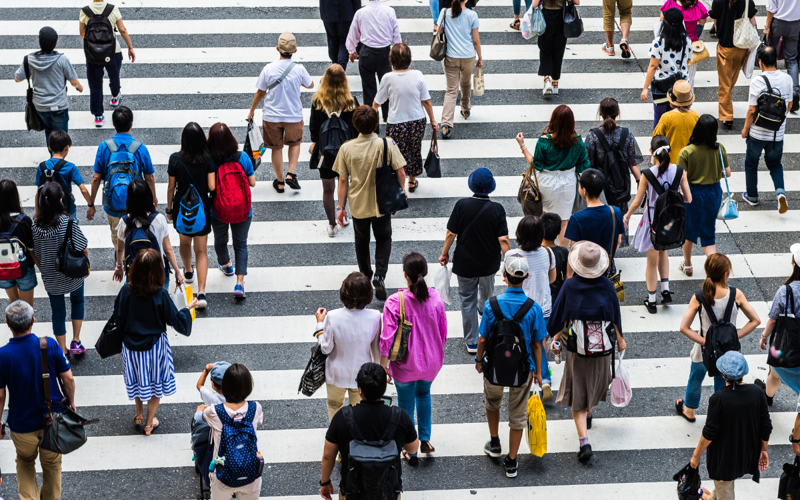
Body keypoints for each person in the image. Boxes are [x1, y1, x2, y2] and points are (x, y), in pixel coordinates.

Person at [547, 241, 626, 463]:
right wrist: (620, 339)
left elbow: (558, 318)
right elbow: (615, 316)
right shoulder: (607, 286)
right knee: (597, 385)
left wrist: (552, 338)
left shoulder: (570, 286)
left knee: (577, 393)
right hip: (602, 349)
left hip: (577, 349)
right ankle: (590, 411)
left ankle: (584, 441)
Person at [477, 252, 547, 478]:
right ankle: (512, 461)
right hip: (522, 369)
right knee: (518, 414)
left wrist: (479, 361)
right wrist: (538, 371)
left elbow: (483, 339)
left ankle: (495, 442)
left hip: (495, 368)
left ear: (504, 275)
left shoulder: (492, 305)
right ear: (526, 276)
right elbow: (537, 345)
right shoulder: (533, 308)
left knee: (492, 401)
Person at [114, 248, 196, 436]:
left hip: (130, 346)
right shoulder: (160, 294)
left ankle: (139, 413)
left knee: (137, 380)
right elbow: (176, 320)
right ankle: (150, 423)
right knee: (155, 384)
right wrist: (187, 308)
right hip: (154, 346)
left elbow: (118, 317)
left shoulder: (126, 291)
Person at [0, 300, 75, 500]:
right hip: (53, 420)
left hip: (22, 423)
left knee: (25, 463)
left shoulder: (2, 355)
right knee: (52, 465)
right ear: (33, 320)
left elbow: (0, 395)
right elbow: (68, 379)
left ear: (8, 323)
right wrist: (71, 402)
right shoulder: (48, 344)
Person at [675, 253, 761, 422]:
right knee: (723, 384)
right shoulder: (736, 294)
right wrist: (735, 336)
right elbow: (755, 320)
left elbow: (684, 328)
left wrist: (705, 341)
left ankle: (690, 410)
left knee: (696, 378)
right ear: (726, 274)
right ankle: (720, 415)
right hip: (728, 350)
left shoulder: (699, 297)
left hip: (703, 350)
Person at [333, 106, 406, 301]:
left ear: (354, 125)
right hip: (382, 203)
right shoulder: (387, 143)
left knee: (361, 240)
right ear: (376, 124)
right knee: (384, 238)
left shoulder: (346, 148)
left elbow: (342, 180)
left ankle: (365, 275)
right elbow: (400, 172)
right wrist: (401, 194)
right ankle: (380, 275)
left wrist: (340, 208)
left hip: (358, 205)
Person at [380, 253, 447, 465]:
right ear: (425, 273)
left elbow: (387, 339)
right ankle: (425, 439)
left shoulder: (395, 301)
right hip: (431, 363)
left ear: (405, 275)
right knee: (424, 394)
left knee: (406, 404)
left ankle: (411, 450)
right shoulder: (435, 297)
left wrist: (383, 366)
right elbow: (443, 332)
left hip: (405, 365)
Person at [320, 362, 419, 500]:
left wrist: (325, 482)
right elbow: (413, 448)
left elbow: (327, 455)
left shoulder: (342, 417)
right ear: (383, 388)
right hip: (388, 493)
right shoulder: (399, 417)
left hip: (351, 493)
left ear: (360, 389)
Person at [440, 168, 510, 353]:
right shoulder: (497, 209)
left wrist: (444, 253)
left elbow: (451, 233)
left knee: (466, 298)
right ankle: (484, 317)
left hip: (465, 263)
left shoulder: (461, 205)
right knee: (487, 294)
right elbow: (503, 239)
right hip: (489, 262)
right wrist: (509, 261)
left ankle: (472, 341)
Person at [688, 352, 772, 500]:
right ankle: (712, 497)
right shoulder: (757, 392)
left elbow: (709, 433)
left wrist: (696, 456)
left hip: (725, 459)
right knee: (723, 486)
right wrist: (763, 449)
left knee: (725, 485)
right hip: (747, 452)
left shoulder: (718, 399)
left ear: (722, 373)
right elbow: (766, 425)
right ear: (744, 372)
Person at [624, 135, 692, 313]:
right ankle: (666, 290)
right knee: (663, 252)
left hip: (653, 220)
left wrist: (627, 216)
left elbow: (638, 201)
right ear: (669, 151)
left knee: (651, 261)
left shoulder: (647, 174)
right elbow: (688, 198)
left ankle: (652, 300)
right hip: (670, 220)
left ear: (652, 153)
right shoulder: (679, 171)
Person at [87, 106, 157, 266]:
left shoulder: (104, 147)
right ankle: (134, 256)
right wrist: (153, 197)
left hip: (113, 204)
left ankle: (121, 254)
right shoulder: (140, 148)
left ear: (113, 124)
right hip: (135, 203)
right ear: (131, 124)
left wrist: (91, 204)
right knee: (136, 229)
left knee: (116, 234)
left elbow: (96, 177)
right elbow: (150, 177)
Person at [247, 32, 313, 194]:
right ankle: (290, 173)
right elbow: (310, 85)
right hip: (293, 115)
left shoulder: (268, 69)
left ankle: (281, 182)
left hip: (272, 116)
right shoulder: (299, 69)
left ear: (277, 49)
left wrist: (252, 111)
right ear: (295, 51)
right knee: (295, 143)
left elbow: (260, 93)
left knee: (276, 148)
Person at [516, 105, 591, 246]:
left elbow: (535, 163)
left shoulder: (544, 141)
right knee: (564, 221)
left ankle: (546, 249)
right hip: (568, 181)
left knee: (545, 216)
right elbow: (584, 164)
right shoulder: (578, 141)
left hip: (546, 181)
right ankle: (561, 252)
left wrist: (522, 146)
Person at [33, 183, 89, 358]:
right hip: (72, 274)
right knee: (77, 301)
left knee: (57, 312)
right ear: (61, 200)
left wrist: (42, 268)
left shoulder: (35, 226)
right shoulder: (68, 222)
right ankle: (76, 340)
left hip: (51, 276)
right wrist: (87, 266)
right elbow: (83, 246)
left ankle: (63, 350)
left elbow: (33, 251)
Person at [373, 43, 439, 192]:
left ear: (391, 60)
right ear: (409, 58)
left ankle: (399, 182)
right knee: (414, 149)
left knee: (396, 152)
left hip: (396, 122)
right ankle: (412, 180)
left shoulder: (388, 78)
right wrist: (433, 120)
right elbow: (426, 101)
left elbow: (377, 102)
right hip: (417, 120)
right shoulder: (417, 75)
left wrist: (372, 116)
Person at [316, 272, 382, 421]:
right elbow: (376, 350)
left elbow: (325, 348)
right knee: (359, 413)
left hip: (336, 372)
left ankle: (335, 439)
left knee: (334, 407)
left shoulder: (332, 316)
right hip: (363, 375)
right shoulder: (376, 316)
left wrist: (319, 326)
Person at [166, 122, 216, 306]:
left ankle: (188, 272)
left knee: (184, 242)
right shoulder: (208, 159)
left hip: (181, 207)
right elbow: (212, 187)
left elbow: (171, 186)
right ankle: (201, 293)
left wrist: (170, 208)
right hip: (201, 207)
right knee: (201, 250)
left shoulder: (175, 159)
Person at [584, 97, 644, 247]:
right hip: (620, 184)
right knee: (618, 217)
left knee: (599, 217)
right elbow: (632, 162)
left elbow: (588, 164)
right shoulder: (626, 134)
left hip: (599, 187)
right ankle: (614, 250)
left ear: (600, 113)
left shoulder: (593, 136)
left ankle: (600, 249)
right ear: (618, 112)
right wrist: (640, 182)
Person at [677, 114, 731, 277]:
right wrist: (712, 174)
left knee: (689, 232)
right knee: (708, 232)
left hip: (692, 193)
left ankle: (688, 265)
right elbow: (727, 173)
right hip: (713, 193)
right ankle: (715, 269)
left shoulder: (686, 152)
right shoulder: (719, 148)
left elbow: (681, 179)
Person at [308, 64, 359, 237]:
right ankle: (342, 213)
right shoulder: (351, 102)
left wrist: (315, 142)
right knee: (344, 182)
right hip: (346, 151)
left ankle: (331, 225)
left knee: (327, 189)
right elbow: (355, 129)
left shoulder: (318, 102)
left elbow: (314, 128)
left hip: (325, 152)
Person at [741, 46, 794, 213]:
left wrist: (745, 129)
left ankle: (752, 197)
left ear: (760, 62)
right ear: (776, 60)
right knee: (775, 164)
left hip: (757, 133)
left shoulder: (758, 81)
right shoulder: (787, 79)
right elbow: (789, 105)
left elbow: (752, 110)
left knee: (751, 163)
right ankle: (780, 193)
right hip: (776, 134)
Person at [207, 122, 256, 299]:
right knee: (240, 244)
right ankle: (240, 284)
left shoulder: (212, 160)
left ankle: (226, 264)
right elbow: (252, 183)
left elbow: (211, 187)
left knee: (220, 240)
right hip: (242, 208)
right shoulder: (242, 157)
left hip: (219, 209)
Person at [201, 363, 263, 500]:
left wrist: (199, 411)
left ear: (223, 388)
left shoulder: (214, 411)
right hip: (250, 471)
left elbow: (202, 417)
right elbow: (259, 421)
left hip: (222, 473)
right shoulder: (256, 408)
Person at [13, 27, 82, 147]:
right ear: (56, 42)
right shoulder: (62, 59)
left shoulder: (29, 60)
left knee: (49, 132)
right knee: (61, 135)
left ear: (39, 41)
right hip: (59, 105)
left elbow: (17, 78)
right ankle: (59, 161)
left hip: (40, 106)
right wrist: (79, 87)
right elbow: (74, 81)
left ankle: (52, 158)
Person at [116, 179, 184, 292]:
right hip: (157, 273)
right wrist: (177, 271)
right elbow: (168, 249)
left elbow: (120, 249)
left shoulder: (124, 222)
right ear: (148, 196)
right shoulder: (159, 219)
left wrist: (119, 266)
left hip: (134, 275)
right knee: (159, 302)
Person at [515, 216, 556, 401]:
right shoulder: (548, 253)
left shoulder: (513, 256)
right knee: (539, 342)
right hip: (544, 307)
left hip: (522, 308)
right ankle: (545, 378)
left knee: (528, 343)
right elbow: (552, 278)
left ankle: (539, 376)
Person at [78, 0, 136, 127]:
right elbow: (122, 30)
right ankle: (115, 97)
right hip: (112, 50)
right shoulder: (112, 9)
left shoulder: (85, 11)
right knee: (114, 74)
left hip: (93, 54)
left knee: (95, 83)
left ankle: (98, 116)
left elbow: (82, 33)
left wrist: (94, 45)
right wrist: (130, 47)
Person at [756, 244, 800, 406]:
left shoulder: (785, 291)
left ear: (794, 264)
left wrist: (764, 337)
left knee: (774, 372)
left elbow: (773, 319)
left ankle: (768, 396)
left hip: (784, 342)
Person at [345, 0, 402, 125]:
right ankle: (388, 118)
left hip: (367, 53)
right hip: (385, 54)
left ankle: (371, 122)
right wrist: (397, 50)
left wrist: (351, 49)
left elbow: (353, 33)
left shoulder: (361, 13)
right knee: (387, 87)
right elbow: (396, 34)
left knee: (368, 88)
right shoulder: (389, 11)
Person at [565, 169, 624, 277]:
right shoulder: (615, 212)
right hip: (605, 270)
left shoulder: (576, 218)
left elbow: (573, 251)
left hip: (583, 272)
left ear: (584, 190)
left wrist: (568, 277)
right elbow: (618, 241)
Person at [437, 0, 483, 138]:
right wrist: (480, 57)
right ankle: (465, 108)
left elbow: (439, 32)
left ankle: (446, 124)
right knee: (466, 82)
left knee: (451, 90)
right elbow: (476, 40)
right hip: (468, 56)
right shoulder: (472, 15)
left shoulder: (445, 13)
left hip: (451, 56)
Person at [709, 0, 757, 130]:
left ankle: (727, 116)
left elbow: (715, 21)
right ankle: (725, 100)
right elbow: (753, 22)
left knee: (725, 83)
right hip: (741, 46)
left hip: (726, 47)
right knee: (731, 78)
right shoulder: (747, 1)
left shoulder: (718, 1)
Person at [641, 10, 693, 129]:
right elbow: (689, 60)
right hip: (681, 86)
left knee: (659, 118)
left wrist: (645, 88)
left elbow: (653, 66)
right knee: (678, 118)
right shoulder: (687, 41)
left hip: (661, 86)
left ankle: (658, 144)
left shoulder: (658, 42)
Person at [34, 131, 92, 221]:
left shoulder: (42, 166)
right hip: (67, 208)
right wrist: (91, 205)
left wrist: (36, 213)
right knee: (70, 230)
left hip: (45, 209)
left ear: (49, 148)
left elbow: (38, 192)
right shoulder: (70, 167)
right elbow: (83, 189)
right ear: (67, 148)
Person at [0, 180, 38, 307]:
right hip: (24, 268)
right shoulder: (24, 221)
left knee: (14, 306)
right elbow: (31, 248)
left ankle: (15, 325)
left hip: (3, 268)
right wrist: (41, 267)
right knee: (27, 310)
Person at [531, 0, 576, 95]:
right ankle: (555, 82)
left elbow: (534, 4)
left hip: (546, 16)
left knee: (545, 49)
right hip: (561, 17)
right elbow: (577, 1)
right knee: (559, 50)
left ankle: (547, 79)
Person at [660, 0, 709, 87]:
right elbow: (702, 22)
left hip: (671, 43)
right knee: (689, 77)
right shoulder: (698, 6)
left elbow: (661, 21)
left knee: (669, 75)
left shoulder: (670, 3)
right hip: (690, 45)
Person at [765, 0, 800, 112]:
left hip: (778, 22)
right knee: (791, 59)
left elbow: (771, 8)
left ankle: (771, 88)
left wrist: (767, 26)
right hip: (795, 23)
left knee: (772, 55)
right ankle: (794, 92)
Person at [653, 80, 699, 164]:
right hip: (690, 161)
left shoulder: (667, 117)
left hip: (670, 162)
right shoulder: (695, 116)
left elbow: (657, 139)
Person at [319, 0, 361, 69]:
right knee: (344, 40)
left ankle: (335, 67)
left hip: (328, 8)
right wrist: (358, 12)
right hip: (346, 9)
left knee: (332, 39)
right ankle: (340, 68)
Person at [542, 212, 569, 301]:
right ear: (559, 231)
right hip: (556, 292)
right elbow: (566, 276)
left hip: (539, 290)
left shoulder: (536, 250)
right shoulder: (563, 252)